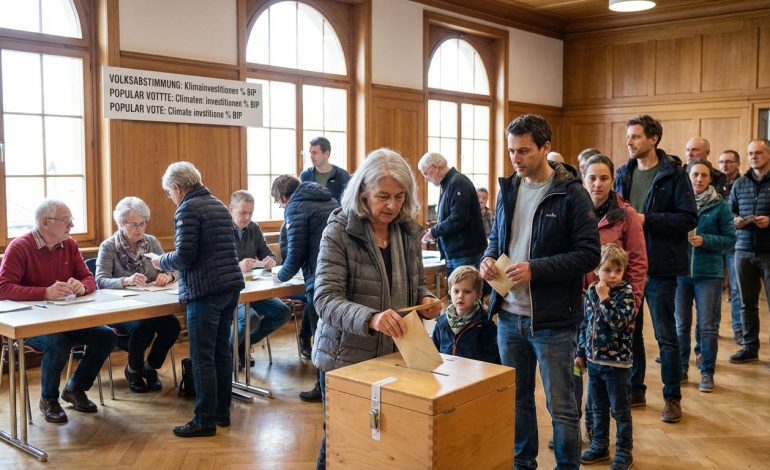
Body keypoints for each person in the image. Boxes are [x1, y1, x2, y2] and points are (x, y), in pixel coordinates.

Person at [480, 114, 600, 470]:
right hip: (508, 316)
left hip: (553, 322)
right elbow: (496, 239)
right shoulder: (510, 189)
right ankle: (523, 465)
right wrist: (487, 258)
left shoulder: (572, 194)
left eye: (524, 151)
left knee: (562, 408)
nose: (516, 159)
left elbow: (589, 254)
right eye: (511, 151)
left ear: (546, 149)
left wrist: (537, 269)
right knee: (517, 401)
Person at [312, 147, 441, 469]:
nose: (391, 205)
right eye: (383, 196)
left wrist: (425, 301)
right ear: (363, 191)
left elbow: (415, 284)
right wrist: (370, 318)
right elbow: (325, 299)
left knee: (384, 446)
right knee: (342, 442)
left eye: (400, 197)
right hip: (346, 359)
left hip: (396, 357)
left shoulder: (405, 231)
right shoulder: (339, 231)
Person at [0, 199, 116, 424]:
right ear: (45, 223)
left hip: (66, 318)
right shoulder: (20, 246)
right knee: (57, 344)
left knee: (106, 336)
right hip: (29, 322)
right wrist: (44, 292)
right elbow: (3, 288)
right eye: (66, 220)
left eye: (71, 220)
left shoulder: (70, 244)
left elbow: (89, 278)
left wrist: (82, 287)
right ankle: (49, 400)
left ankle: (75, 388)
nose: (70, 225)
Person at [614, 114, 697, 423]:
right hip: (627, 268)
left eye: (635, 136)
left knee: (666, 336)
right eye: (628, 137)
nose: (630, 142)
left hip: (661, 267)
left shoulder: (674, 174)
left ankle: (672, 397)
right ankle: (635, 389)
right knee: (630, 334)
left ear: (653, 139)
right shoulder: (623, 172)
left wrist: (647, 219)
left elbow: (688, 218)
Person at [152, 162, 244, 438]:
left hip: (205, 291)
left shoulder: (188, 208)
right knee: (220, 352)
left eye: (169, 192)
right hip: (229, 287)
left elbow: (185, 256)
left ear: (178, 188)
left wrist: (160, 261)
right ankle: (221, 413)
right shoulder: (216, 203)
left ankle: (204, 420)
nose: (170, 197)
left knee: (203, 356)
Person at [580, 154, 647, 443]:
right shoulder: (575, 209)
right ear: (583, 179)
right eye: (592, 177)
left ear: (612, 180)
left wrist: (630, 305)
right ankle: (592, 435)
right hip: (583, 304)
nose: (597, 184)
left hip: (619, 302)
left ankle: (620, 444)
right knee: (586, 372)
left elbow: (638, 263)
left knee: (614, 384)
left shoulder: (626, 213)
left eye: (604, 178)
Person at [95, 196, 181, 393]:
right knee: (142, 328)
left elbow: (174, 269)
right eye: (134, 225)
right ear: (121, 223)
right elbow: (100, 280)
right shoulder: (108, 246)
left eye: (143, 224)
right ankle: (133, 370)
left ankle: (150, 368)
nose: (140, 229)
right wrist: (126, 281)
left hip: (150, 304)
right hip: (120, 309)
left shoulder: (151, 242)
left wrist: (167, 276)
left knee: (172, 326)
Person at [271, 174, 339, 402]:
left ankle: (323, 389)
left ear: (283, 196)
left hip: (319, 277)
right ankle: (336, 386)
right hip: (340, 274)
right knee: (335, 336)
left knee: (322, 338)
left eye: (279, 202)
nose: (281, 206)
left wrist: (280, 275)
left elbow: (296, 252)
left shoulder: (296, 207)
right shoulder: (328, 200)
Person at [674, 159, 735, 392]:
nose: (699, 179)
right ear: (687, 176)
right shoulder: (679, 203)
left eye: (704, 175)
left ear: (710, 179)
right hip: (680, 272)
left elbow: (731, 238)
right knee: (681, 325)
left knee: (707, 327)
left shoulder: (719, 205)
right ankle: (680, 369)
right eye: (695, 174)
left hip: (709, 275)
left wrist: (706, 240)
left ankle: (707, 372)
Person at [575, 244, 636, 470]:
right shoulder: (591, 291)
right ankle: (600, 444)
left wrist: (605, 299)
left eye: (618, 271)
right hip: (594, 363)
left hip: (617, 365)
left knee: (619, 410)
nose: (613, 275)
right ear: (596, 270)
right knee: (597, 407)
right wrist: (581, 352)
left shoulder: (626, 294)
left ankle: (624, 451)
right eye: (607, 270)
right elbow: (586, 323)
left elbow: (619, 324)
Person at [228, 190, 291, 369]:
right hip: (232, 290)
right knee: (250, 319)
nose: (247, 217)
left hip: (254, 289)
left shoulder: (253, 228)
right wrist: (237, 266)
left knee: (283, 313)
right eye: (243, 213)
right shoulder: (221, 230)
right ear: (231, 209)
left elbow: (269, 254)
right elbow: (213, 265)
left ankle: (242, 344)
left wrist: (271, 260)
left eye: (250, 213)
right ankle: (226, 353)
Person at [729, 139, 770, 364]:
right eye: (750, 153)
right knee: (747, 303)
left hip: (768, 251)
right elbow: (730, 209)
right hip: (743, 249)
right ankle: (749, 347)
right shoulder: (740, 183)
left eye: (759, 153)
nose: (754, 157)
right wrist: (735, 219)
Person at [419, 152, 487, 275]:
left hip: (466, 255)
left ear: (434, 167)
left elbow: (458, 218)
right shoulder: (449, 183)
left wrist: (433, 232)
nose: (425, 179)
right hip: (459, 255)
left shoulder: (457, 182)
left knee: (464, 293)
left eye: (425, 173)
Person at [432, 266, 499, 364]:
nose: (460, 296)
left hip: (476, 377)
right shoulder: (441, 323)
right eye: (456, 291)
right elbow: (434, 352)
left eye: (467, 292)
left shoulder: (485, 324)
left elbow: (493, 359)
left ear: (478, 295)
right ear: (450, 292)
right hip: (446, 375)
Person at [717, 149, 743, 344]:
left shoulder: (743, 184)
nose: (724, 166)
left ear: (738, 164)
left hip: (736, 242)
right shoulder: (715, 182)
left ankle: (738, 329)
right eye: (721, 162)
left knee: (736, 288)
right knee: (714, 288)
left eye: (728, 162)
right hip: (715, 242)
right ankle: (712, 327)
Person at [299, 136, 350, 203]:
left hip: (335, 212)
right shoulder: (305, 175)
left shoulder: (343, 175)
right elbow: (302, 202)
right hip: (312, 213)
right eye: (310, 153)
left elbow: (346, 203)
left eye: (314, 153)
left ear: (326, 154)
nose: (311, 157)